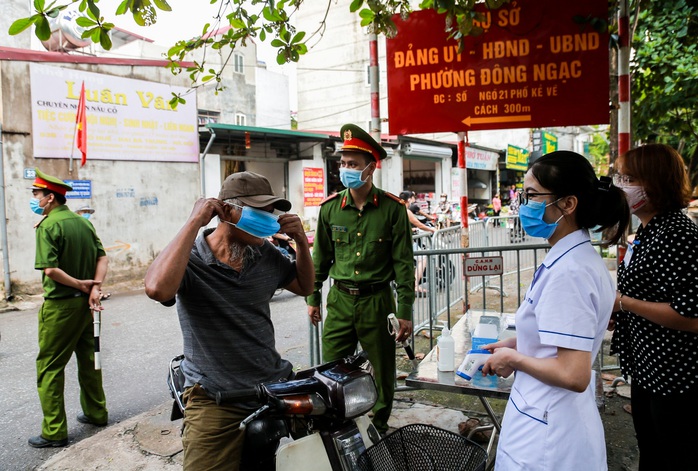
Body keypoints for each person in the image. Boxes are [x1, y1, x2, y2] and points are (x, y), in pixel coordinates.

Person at [144, 171, 314, 470]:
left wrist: (300, 240)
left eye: (269, 212)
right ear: (226, 211)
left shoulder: (265, 252)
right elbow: (157, 289)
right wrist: (195, 220)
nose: (267, 219)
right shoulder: (190, 258)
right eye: (257, 212)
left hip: (270, 385)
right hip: (214, 395)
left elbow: (305, 287)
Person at [480, 151, 630, 470]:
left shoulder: (570, 273)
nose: (523, 204)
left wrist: (513, 359)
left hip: (549, 432)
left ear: (568, 204)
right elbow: (564, 341)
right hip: (547, 417)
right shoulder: (572, 258)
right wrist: (520, 342)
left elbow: (573, 374)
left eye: (532, 195)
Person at [307, 124, 414, 435]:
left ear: (371, 168)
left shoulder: (393, 210)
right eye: (343, 163)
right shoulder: (329, 210)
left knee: (382, 370)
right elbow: (320, 259)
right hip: (339, 300)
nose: (346, 169)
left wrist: (405, 311)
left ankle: (378, 426)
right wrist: (313, 297)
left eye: (353, 164)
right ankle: (337, 426)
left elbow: (404, 263)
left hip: (377, 302)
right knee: (331, 370)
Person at [608, 143, 698, 471]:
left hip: (677, 376)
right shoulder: (649, 228)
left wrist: (624, 303)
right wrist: (623, 313)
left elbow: (692, 316)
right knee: (651, 448)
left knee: (673, 454)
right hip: (649, 368)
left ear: (655, 183)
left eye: (627, 178)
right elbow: (651, 291)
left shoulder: (677, 234)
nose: (620, 184)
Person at [28, 169, 109, 448]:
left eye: (36, 194)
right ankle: (97, 412)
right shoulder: (83, 223)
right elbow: (102, 257)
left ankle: (54, 432)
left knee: (50, 367)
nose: (34, 199)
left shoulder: (48, 226)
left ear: (51, 197)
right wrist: (94, 288)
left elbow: (50, 269)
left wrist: (82, 284)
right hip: (86, 306)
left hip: (61, 307)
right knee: (89, 359)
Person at [399, 190, 436, 296]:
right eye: (412, 198)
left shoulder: (396, 208)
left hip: (398, 241)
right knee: (423, 258)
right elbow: (419, 224)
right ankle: (415, 285)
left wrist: (412, 229)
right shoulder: (406, 210)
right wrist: (432, 230)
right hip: (406, 241)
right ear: (409, 199)